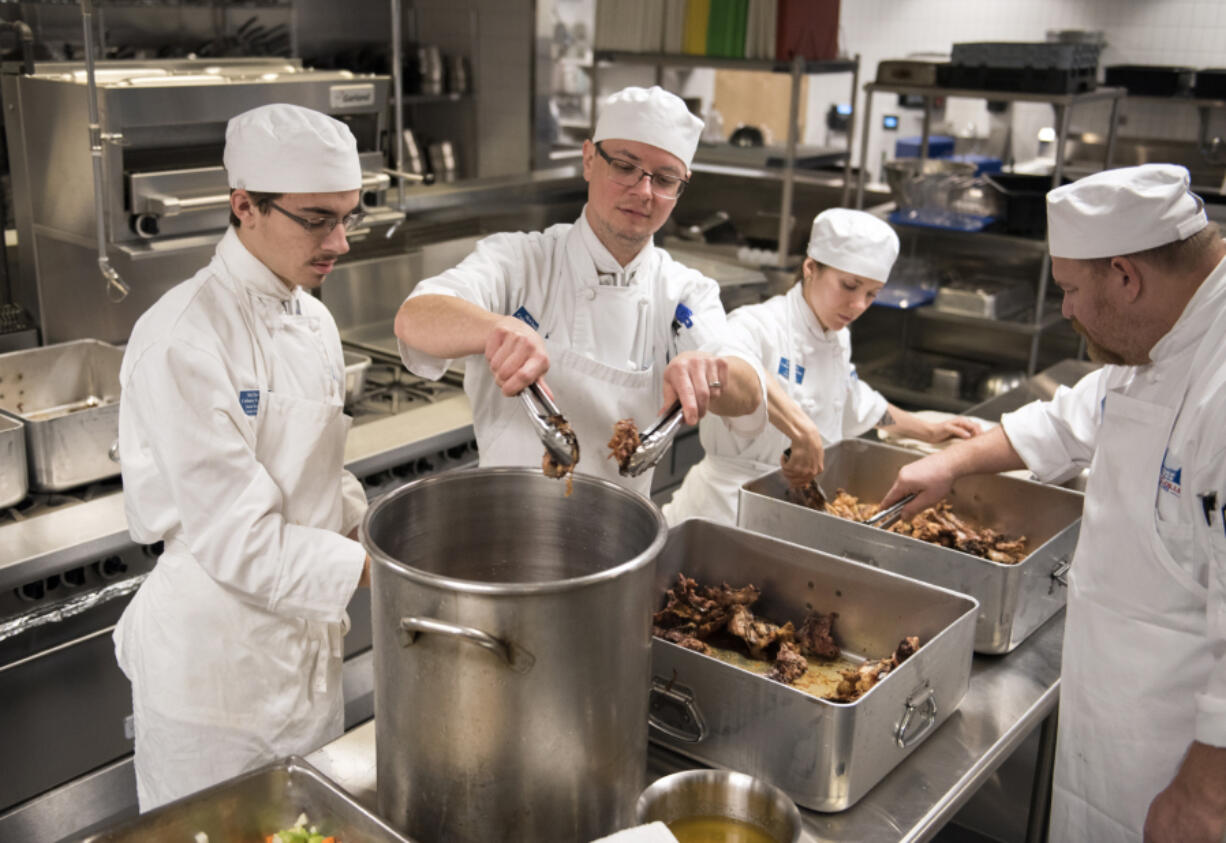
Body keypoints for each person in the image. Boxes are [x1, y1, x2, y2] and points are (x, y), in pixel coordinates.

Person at [878, 164, 1226, 842]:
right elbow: (1075, 416)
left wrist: (1206, 793)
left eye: (1069, 288)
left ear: (1126, 275)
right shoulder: (1166, 331)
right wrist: (950, 460)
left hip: (1184, 750)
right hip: (1117, 713)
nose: (1064, 308)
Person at [113, 104, 372, 811]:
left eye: (350, 215)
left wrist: (375, 526)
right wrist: (382, 569)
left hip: (305, 658)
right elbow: (240, 540)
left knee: (304, 825)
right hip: (216, 676)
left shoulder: (312, 317)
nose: (340, 242)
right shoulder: (184, 338)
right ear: (243, 206)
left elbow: (317, 468)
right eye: (318, 218)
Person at [394, 86, 765, 495]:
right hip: (505, 526)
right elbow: (416, 317)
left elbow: (748, 392)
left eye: (664, 179)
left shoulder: (683, 292)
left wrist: (711, 375)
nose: (643, 192)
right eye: (625, 167)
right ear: (589, 159)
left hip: (622, 543)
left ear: (682, 187)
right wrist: (495, 329)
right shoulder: (522, 261)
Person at [662, 208, 979, 526]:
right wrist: (801, 429)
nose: (858, 306)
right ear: (811, 268)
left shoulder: (837, 338)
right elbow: (731, 367)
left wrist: (929, 431)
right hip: (723, 510)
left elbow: (859, 403)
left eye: (871, 294)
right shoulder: (758, 325)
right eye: (850, 285)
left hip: (795, 509)